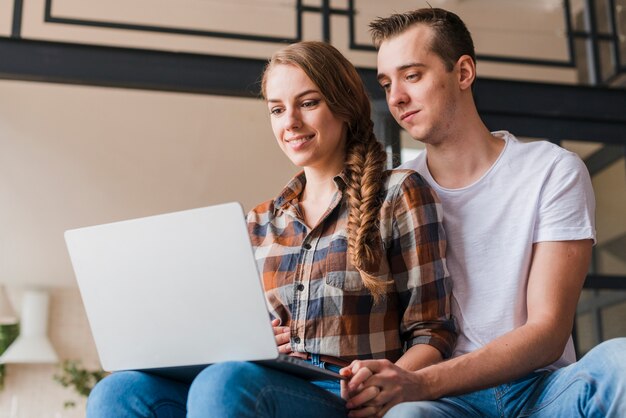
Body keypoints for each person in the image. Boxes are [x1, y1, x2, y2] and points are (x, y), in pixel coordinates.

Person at [85, 41, 456, 417]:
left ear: (344, 107)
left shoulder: (398, 193)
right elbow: (234, 335)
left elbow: (432, 331)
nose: (290, 121)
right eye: (277, 109)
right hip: (265, 377)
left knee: (224, 383)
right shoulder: (258, 222)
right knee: (118, 390)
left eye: (308, 103)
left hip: (343, 394)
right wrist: (256, 342)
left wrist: (388, 386)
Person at [340, 7, 626, 418]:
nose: (396, 97)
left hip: (542, 390)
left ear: (463, 72)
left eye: (413, 75)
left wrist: (420, 383)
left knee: (620, 360)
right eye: (387, 83)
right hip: (444, 405)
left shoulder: (551, 169)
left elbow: (547, 332)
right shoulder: (392, 192)